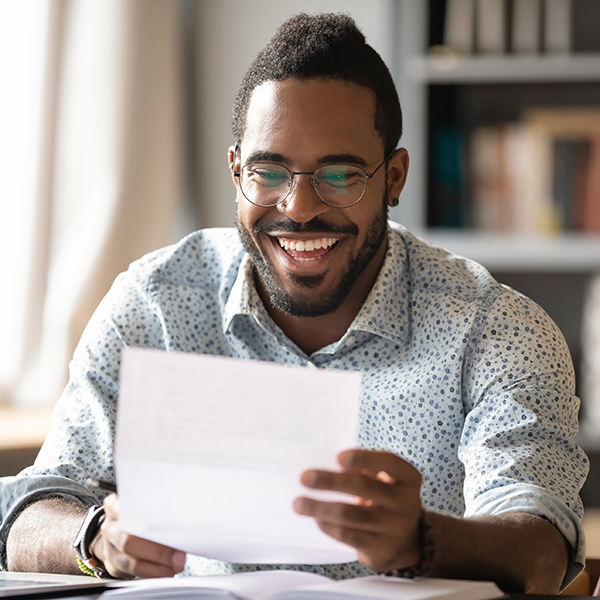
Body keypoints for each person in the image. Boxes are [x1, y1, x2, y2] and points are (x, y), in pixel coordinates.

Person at [0, 12, 588, 594]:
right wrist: (96, 539)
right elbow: (27, 512)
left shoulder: (497, 330)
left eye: (339, 175)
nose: (299, 206)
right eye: (269, 171)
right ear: (236, 171)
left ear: (395, 177)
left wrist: (421, 541)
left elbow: (543, 548)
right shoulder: (154, 305)